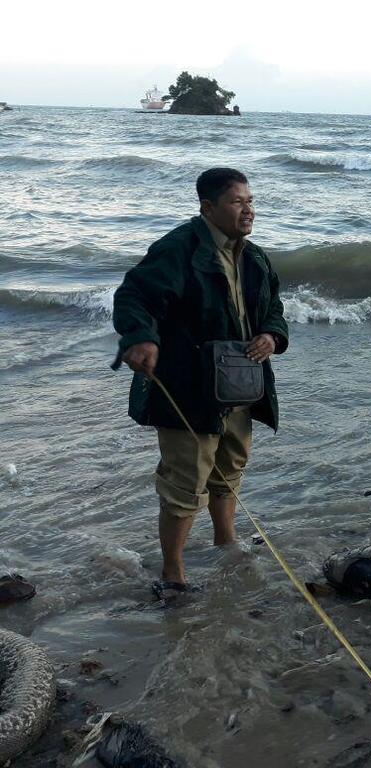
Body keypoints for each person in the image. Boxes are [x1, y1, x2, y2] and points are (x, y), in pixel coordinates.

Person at [112, 168, 288, 597]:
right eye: (236, 201)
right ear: (207, 207)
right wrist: (140, 338)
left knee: (230, 466)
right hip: (187, 384)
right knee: (185, 481)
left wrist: (271, 335)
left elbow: (274, 308)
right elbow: (134, 295)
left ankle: (225, 541)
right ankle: (173, 574)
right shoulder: (179, 248)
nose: (248, 209)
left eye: (250, 200)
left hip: (240, 383)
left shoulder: (256, 257)